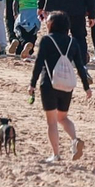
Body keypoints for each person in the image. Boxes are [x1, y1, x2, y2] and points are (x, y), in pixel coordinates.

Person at [27, 11, 90, 162]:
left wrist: (32, 84)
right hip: (67, 85)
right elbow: (80, 66)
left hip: (49, 84)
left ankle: (56, 154)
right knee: (63, 117)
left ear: (51, 25)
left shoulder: (46, 40)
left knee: (52, 121)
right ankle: (74, 140)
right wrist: (86, 87)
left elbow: (39, 63)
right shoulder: (72, 42)